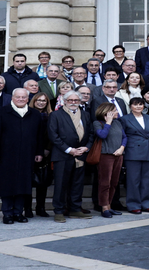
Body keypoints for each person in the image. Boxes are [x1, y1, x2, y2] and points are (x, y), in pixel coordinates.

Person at [0, 88, 46, 224]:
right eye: (18, 97)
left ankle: (18, 212)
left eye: (23, 97)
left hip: (27, 155)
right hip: (5, 155)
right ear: (12, 98)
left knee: (23, 185)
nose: (21, 99)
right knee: (7, 185)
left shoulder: (35, 114)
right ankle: (7, 213)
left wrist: (39, 152)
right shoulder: (1, 112)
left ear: (28, 99)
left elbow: (39, 136)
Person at [48, 91, 93, 222]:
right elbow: (53, 135)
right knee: (61, 184)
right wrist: (69, 150)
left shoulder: (85, 115)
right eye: (70, 100)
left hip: (80, 155)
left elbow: (90, 133)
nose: (73, 102)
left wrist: (86, 147)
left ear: (80, 102)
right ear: (65, 101)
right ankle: (59, 211)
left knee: (77, 184)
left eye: (76, 100)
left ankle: (75, 209)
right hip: (62, 155)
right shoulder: (56, 115)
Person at [122, 97, 149, 214]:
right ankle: (133, 205)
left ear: (144, 106)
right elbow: (122, 136)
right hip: (132, 152)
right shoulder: (124, 119)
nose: (138, 107)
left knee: (146, 180)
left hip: (147, 151)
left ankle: (145, 203)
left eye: (140, 104)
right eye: (135, 104)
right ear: (130, 106)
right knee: (133, 180)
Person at [92, 102, 126, 218]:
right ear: (107, 112)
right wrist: (108, 123)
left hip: (118, 155)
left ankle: (109, 206)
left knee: (114, 182)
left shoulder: (118, 123)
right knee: (105, 182)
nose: (117, 112)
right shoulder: (98, 123)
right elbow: (102, 135)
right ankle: (104, 207)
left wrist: (122, 148)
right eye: (114, 110)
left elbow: (125, 137)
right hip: (105, 155)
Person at [27, 92, 54, 218]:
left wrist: (47, 149)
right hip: (29, 151)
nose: (41, 102)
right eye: (38, 100)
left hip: (45, 152)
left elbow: (52, 134)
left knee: (42, 182)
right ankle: (27, 209)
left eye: (44, 101)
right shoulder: (28, 114)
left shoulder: (51, 116)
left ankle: (40, 208)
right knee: (28, 182)